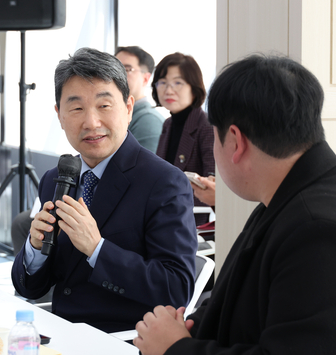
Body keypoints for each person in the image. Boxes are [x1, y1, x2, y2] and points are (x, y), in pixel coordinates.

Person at [134, 55, 336, 354]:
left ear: (236, 141)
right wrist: (182, 329)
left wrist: (176, 347)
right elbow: (233, 305)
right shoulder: (287, 199)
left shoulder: (318, 230)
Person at [11, 48, 197, 333]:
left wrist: (96, 248)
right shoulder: (55, 179)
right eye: (76, 108)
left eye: (104, 105)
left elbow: (175, 289)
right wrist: (35, 249)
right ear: (59, 116)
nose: (91, 122)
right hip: (61, 336)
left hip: (121, 341)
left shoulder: (164, 182)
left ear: (129, 107)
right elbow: (30, 288)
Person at [151, 53, 215, 225]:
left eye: (178, 82)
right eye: (162, 82)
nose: (168, 90)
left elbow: (213, 181)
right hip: (164, 216)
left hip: (194, 222)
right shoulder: (168, 124)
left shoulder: (206, 125)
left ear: (194, 88)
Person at [115, 46, 165, 152]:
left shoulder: (148, 121)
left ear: (145, 78)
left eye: (127, 69)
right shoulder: (118, 115)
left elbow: (145, 167)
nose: (117, 75)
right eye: (115, 69)